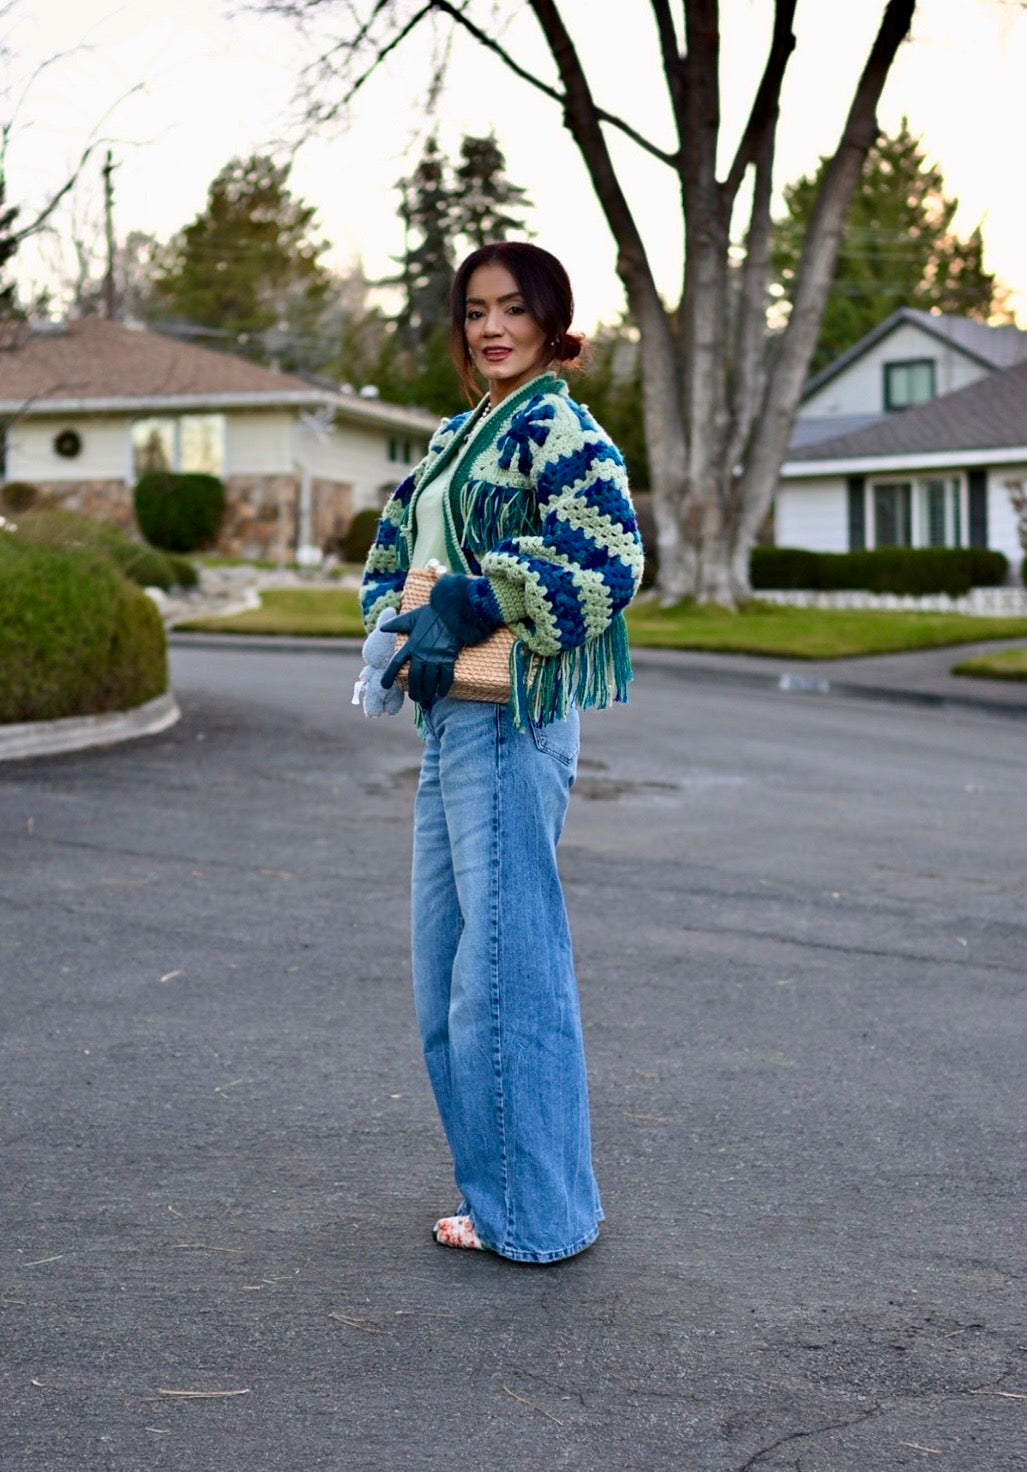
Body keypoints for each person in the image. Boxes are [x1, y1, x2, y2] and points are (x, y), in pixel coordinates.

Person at [359, 241, 643, 1263]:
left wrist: (474, 598)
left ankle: (534, 1214)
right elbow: (393, 549)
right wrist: (396, 619)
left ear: (550, 319)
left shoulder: (556, 426)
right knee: (447, 968)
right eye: (476, 310)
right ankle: (502, 1194)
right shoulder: (457, 433)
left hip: (512, 714)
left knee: (503, 970)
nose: (491, 327)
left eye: (513, 308)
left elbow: (609, 557)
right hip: (450, 714)